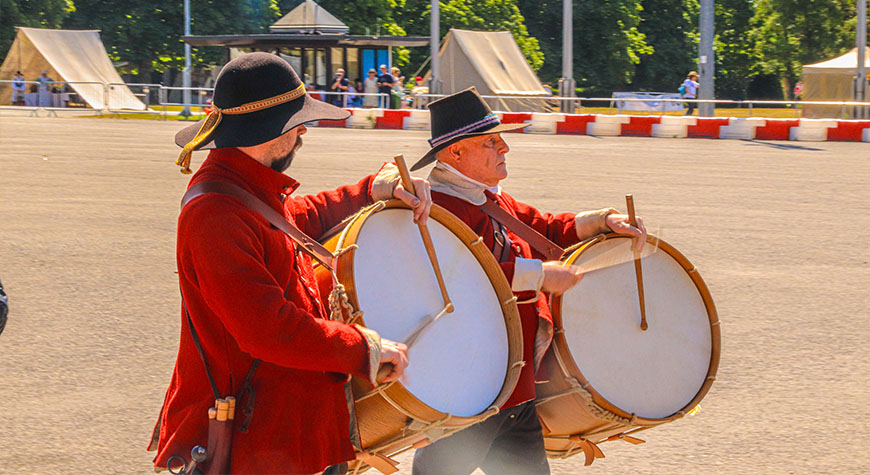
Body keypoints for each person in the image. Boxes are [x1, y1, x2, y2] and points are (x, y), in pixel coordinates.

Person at [149, 52, 433, 474]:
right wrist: (366, 348)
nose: (302, 132)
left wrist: (373, 187)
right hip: (257, 442)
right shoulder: (215, 212)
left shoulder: (246, 189)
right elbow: (268, 330)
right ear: (267, 129)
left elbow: (301, 215)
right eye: (295, 122)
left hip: (286, 431)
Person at [408, 87, 647, 475]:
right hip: (469, 388)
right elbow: (453, 278)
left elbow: (543, 226)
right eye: (491, 142)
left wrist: (603, 220)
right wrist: (538, 276)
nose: (505, 148)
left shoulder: (487, 198)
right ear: (455, 153)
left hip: (514, 390)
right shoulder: (435, 208)